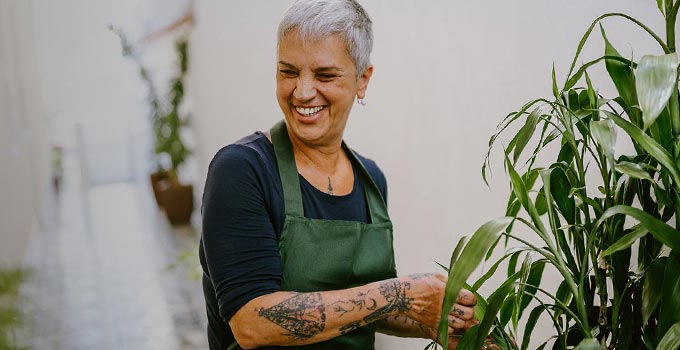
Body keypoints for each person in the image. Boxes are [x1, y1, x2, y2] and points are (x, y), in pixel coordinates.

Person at [198, 0, 482, 349]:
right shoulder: (242, 171)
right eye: (288, 71)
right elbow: (251, 322)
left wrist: (443, 324)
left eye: (325, 75)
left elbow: (363, 307)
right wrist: (402, 292)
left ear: (362, 79)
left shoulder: (371, 181)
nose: (302, 91)